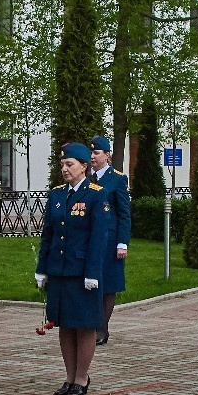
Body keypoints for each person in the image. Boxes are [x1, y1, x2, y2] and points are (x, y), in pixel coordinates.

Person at [35, 142, 109, 395]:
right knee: (65, 325)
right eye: (62, 165)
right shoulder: (56, 195)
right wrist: (42, 268)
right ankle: (68, 377)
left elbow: (99, 238)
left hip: (82, 272)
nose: (65, 169)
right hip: (59, 270)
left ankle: (81, 378)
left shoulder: (96, 194)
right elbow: (49, 235)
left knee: (84, 325)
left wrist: (92, 273)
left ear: (84, 166)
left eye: (70, 164)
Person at [88, 136, 129, 346]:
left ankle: (102, 327)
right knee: (91, 282)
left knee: (108, 284)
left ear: (107, 155)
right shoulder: (85, 178)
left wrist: (122, 243)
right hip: (89, 239)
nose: (92, 157)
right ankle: (91, 325)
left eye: (97, 153)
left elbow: (124, 213)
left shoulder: (117, 179)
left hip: (110, 240)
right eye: (91, 153)